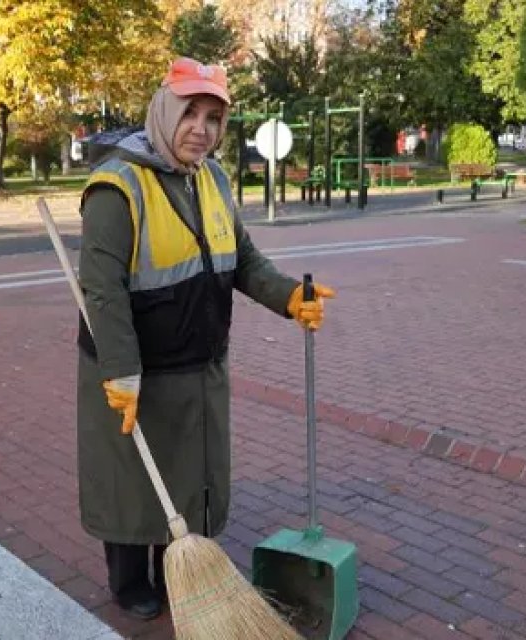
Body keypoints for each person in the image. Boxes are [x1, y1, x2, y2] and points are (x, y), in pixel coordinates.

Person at [75, 57, 336, 620]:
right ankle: (128, 582)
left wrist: (289, 296)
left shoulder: (212, 178)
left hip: (199, 360)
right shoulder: (116, 187)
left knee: (190, 473)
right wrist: (120, 369)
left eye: (214, 118)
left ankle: (180, 567)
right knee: (133, 476)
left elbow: (240, 258)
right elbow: (103, 291)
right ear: (165, 113)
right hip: (135, 367)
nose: (201, 128)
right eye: (190, 113)